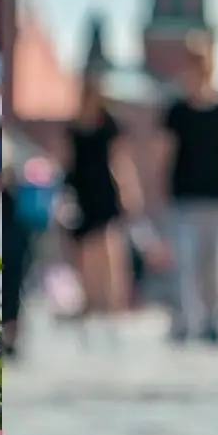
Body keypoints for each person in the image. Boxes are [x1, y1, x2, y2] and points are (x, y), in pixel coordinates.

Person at [161, 31, 218, 344]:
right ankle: (184, 321)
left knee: (214, 265)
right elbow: (165, 154)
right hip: (183, 198)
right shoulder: (176, 111)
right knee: (185, 263)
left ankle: (212, 321)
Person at [64, 72, 134, 319]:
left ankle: (114, 300)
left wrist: (128, 190)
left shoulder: (109, 125)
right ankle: (90, 299)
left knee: (109, 246)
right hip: (81, 188)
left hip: (105, 187)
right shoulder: (73, 126)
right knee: (85, 248)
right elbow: (66, 159)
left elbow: (120, 160)